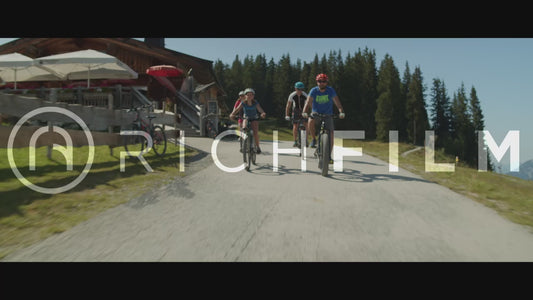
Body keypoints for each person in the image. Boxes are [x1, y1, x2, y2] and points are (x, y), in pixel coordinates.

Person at [302, 73, 345, 163]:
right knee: (310, 121)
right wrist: (304, 111)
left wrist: (341, 111)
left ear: (326, 82)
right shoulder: (314, 90)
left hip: (328, 115)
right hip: (316, 113)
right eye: (319, 81)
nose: (321, 83)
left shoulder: (330, 90)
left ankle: (328, 156)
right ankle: (314, 139)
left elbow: (337, 102)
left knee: (331, 135)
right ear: (317, 82)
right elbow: (308, 102)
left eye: (324, 81)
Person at [230, 88, 266, 154]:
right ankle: (245, 142)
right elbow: (237, 109)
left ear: (253, 96)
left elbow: (260, 109)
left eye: (251, 95)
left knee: (255, 133)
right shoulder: (243, 102)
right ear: (245, 96)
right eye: (248, 95)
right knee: (244, 126)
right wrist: (232, 114)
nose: (249, 96)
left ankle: (257, 147)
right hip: (246, 117)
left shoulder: (255, 102)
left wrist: (262, 113)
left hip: (254, 118)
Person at [285, 81, 310, 147]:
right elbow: (288, 105)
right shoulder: (292, 95)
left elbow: (309, 104)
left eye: (301, 89)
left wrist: (309, 112)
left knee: (306, 125)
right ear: (295, 89)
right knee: (295, 126)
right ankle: (295, 141)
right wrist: (287, 115)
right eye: (298, 89)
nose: (300, 91)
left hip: (303, 110)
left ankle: (306, 140)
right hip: (295, 111)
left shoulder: (305, 95)